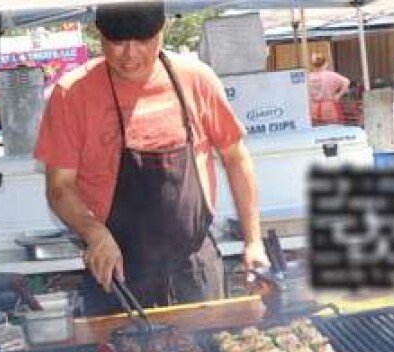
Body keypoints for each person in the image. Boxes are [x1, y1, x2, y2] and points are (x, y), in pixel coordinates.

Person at [34, 1, 269, 316]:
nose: (130, 55)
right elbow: (59, 186)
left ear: (163, 30)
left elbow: (236, 158)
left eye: (143, 40)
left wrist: (254, 241)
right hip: (115, 272)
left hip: (194, 266)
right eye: (117, 41)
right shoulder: (72, 93)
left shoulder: (195, 79)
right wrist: (93, 231)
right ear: (98, 34)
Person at [308, 53, 350, 125]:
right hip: (329, 107)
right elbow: (346, 81)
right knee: (333, 129)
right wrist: (338, 95)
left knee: (316, 130)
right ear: (325, 64)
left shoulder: (308, 77)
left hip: (312, 108)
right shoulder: (331, 75)